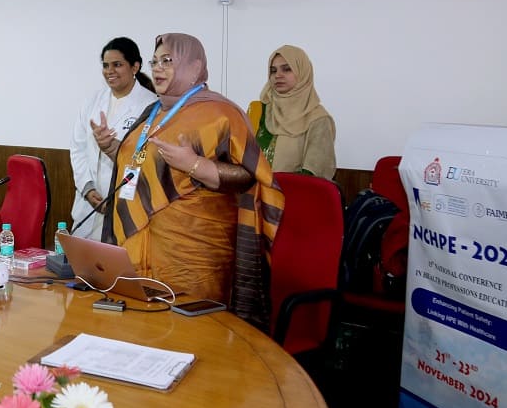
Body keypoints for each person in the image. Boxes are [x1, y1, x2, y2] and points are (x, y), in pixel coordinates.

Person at [94, 33, 284, 330]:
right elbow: (144, 165)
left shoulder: (221, 113)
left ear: (194, 67)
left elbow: (250, 175)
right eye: (155, 61)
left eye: (168, 61)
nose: (158, 68)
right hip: (137, 250)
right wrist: (112, 148)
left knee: (192, 335)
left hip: (192, 255)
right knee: (140, 334)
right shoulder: (153, 112)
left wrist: (196, 165)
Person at [69, 37, 157, 240]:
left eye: (117, 65)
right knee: (81, 258)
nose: (110, 71)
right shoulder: (92, 101)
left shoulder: (151, 106)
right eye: (106, 65)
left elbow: (147, 159)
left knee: (117, 257)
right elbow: (78, 148)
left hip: (126, 203)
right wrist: (87, 188)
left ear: (135, 67)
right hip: (88, 203)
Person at [248, 45, 336, 179]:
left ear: (302, 72)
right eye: (273, 71)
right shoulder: (259, 110)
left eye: (287, 69)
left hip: (295, 191)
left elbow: (314, 174)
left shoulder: (318, 119)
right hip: (253, 189)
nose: (278, 75)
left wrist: (273, 187)